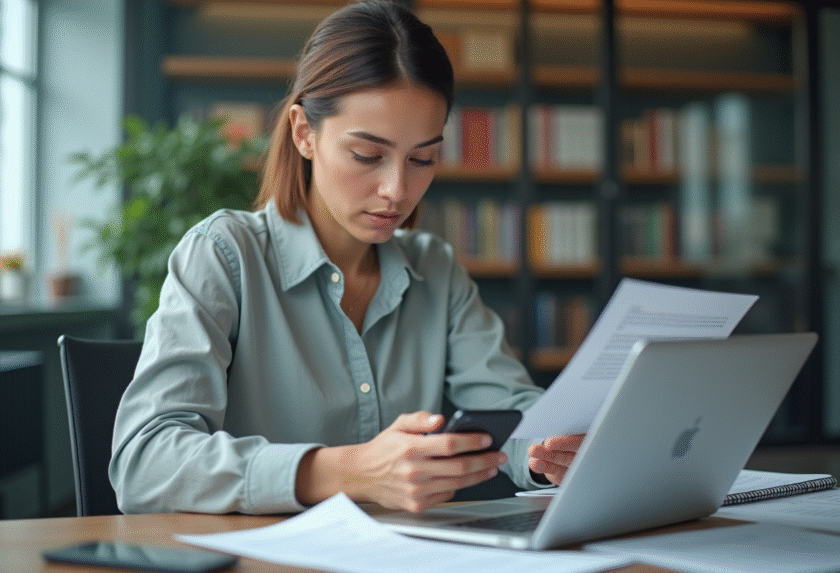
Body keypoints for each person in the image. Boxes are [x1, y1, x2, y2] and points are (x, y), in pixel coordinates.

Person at [110, 0, 582, 516]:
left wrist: (550, 450)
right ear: (303, 133)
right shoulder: (224, 254)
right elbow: (145, 461)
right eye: (367, 155)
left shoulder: (435, 270)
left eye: (422, 158)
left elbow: (511, 413)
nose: (397, 191)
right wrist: (350, 471)